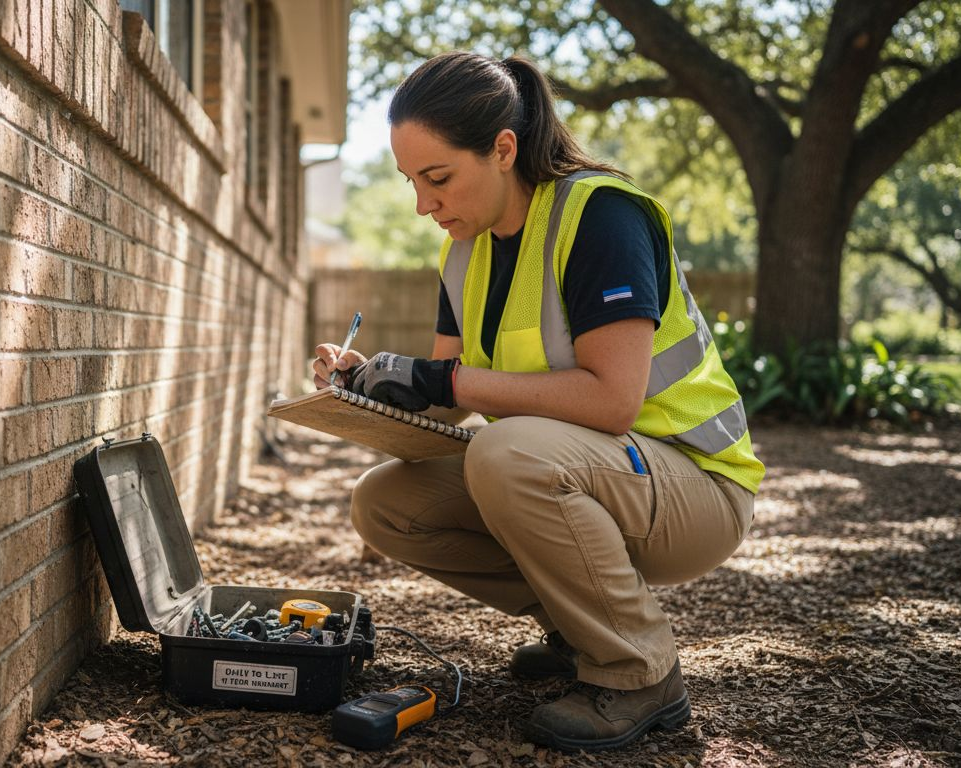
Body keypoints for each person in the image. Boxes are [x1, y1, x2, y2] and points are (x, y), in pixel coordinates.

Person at [311, 51, 764, 752]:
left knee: (505, 452)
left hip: (695, 486)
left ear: (502, 149)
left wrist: (448, 382)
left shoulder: (600, 216)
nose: (423, 204)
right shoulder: (464, 250)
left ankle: (638, 670)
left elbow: (613, 403)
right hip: (587, 477)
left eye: (438, 179)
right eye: (411, 182)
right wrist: (372, 379)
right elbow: (448, 400)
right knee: (386, 503)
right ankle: (580, 628)